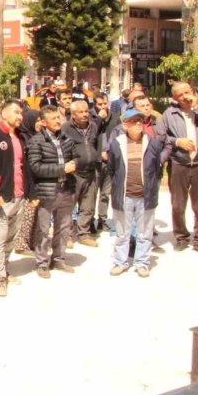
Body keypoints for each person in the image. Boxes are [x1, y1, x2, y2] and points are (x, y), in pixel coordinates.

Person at [0, 100, 35, 297]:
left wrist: (31, 192)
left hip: (19, 195)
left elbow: (24, 167)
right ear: (4, 113)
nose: (20, 116)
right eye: (16, 112)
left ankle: (5, 267)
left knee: (11, 237)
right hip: (1, 198)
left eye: (21, 113)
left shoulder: (20, 137)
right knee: (0, 238)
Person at [161, 82, 198, 254]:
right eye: (180, 94)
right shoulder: (169, 114)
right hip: (179, 164)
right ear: (174, 98)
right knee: (178, 205)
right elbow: (161, 135)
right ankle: (181, 237)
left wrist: (197, 108)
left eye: (187, 92)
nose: (185, 96)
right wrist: (177, 141)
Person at [107, 109, 165, 277]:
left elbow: (156, 169)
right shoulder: (116, 144)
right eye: (134, 121)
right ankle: (120, 262)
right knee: (122, 233)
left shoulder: (152, 143)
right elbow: (112, 169)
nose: (138, 124)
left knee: (144, 233)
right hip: (124, 196)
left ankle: (142, 263)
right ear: (125, 125)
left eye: (140, 120)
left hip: (145, 196)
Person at [28, 106, 79, 278]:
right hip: (47, 191)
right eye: (53, 118)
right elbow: (35, 167)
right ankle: (42, 263)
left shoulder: (66, 139)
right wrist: (62, 169)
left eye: (58, 117)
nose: (58, 121)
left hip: (66, 189)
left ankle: (58, 258)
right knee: (43, 229)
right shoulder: (36, 141)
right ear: (43, 122)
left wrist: (75, 165)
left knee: (64, 227)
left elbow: (75, 158)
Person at [62, 100, 100, 247]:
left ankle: (83, 234)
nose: (85, 115)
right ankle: (67, 235)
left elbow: (95, 145)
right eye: (81, 112)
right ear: (73, 114)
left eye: (86, 111)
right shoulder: (66, 128)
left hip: (91, 171)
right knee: (68, 206)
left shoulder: (93, 126)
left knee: (88, 205)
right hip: (74, 173)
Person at [13, 108, 41, 255]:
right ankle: (21, 244)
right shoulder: (23, 138)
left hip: (37, 180)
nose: (39, 123)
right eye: (36, 121)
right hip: (26, 180)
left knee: (34, 213)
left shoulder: (36, 136)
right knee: (27, 213)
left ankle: (31, 242)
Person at [92, 93, 117, 234]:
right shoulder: (91, 117)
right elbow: (90, 135)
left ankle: (102, 219)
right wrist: (99, 118)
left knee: (106, 193)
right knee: (92, 193)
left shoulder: (115, 117)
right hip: (95, 161)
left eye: (105, 103)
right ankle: (89, 221)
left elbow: (117, 136)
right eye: (99, 104)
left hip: (109, 160)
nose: (103, 107)